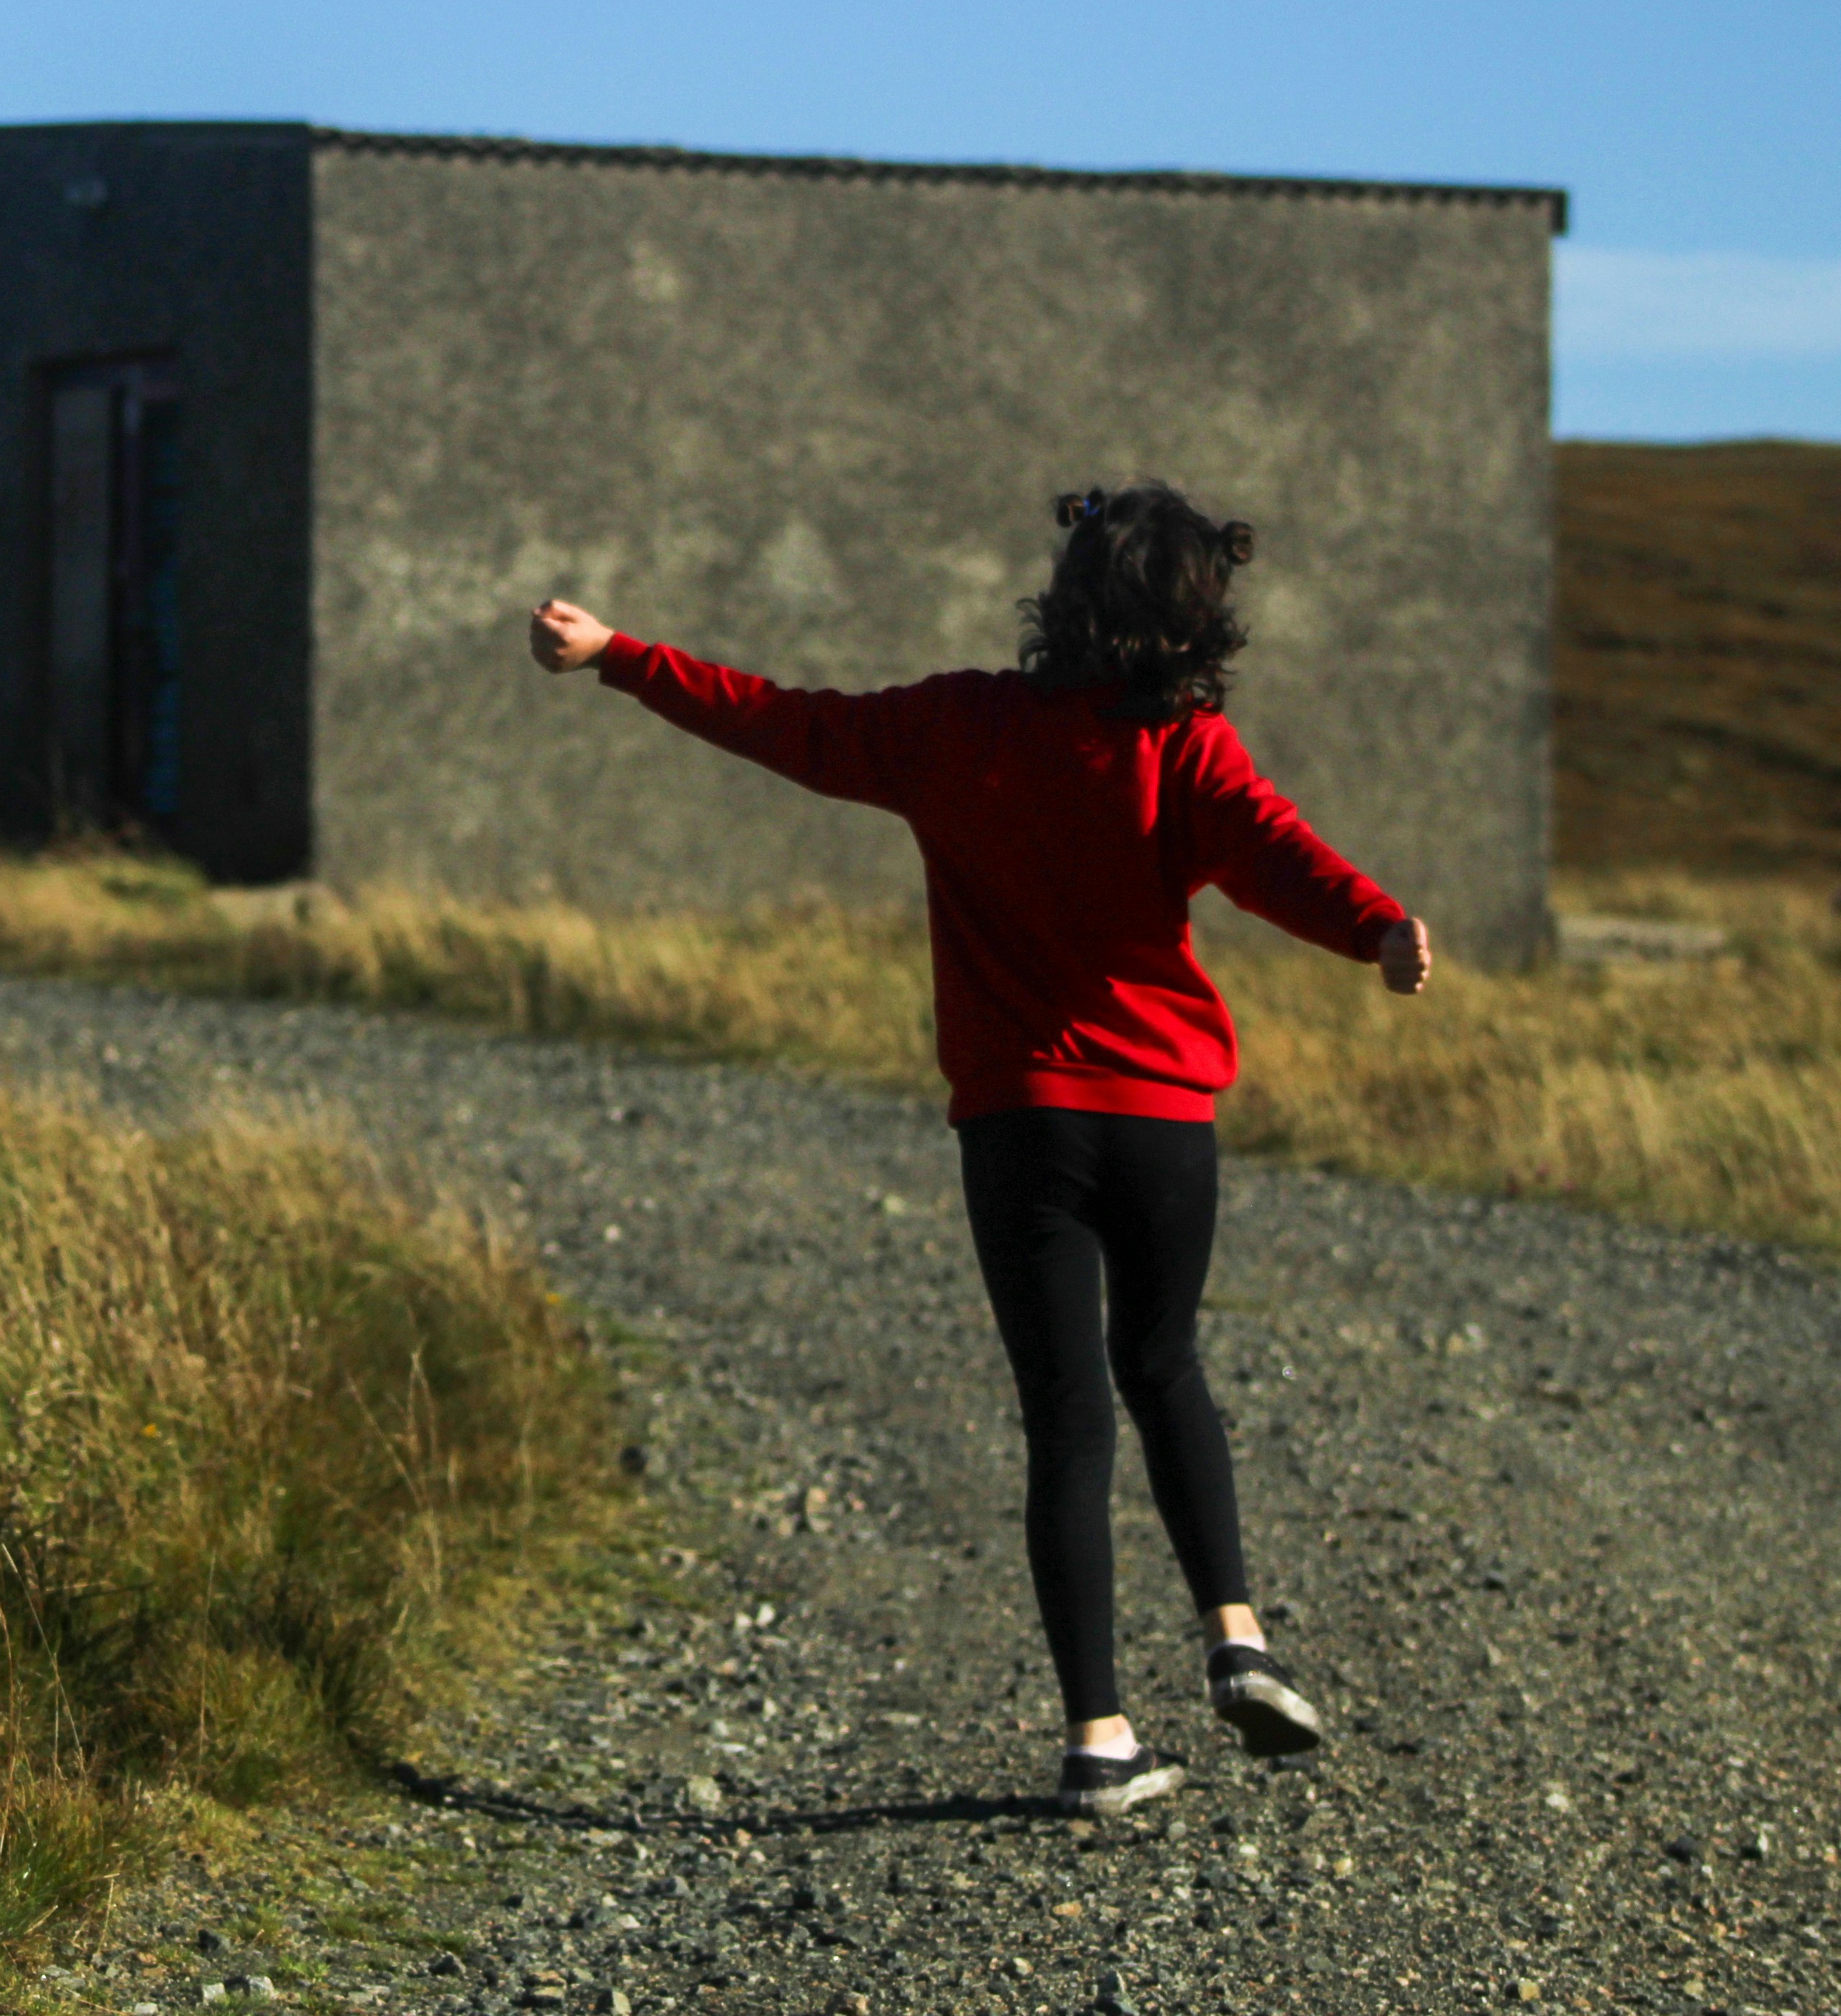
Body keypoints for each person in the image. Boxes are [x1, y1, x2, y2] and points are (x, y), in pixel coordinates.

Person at [528, 483, 1429, 1816]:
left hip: (1020, 1121)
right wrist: (1376, 927)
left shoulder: (955, 726)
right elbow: (1280, 859)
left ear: (1065, 597)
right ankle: (1236, 1636)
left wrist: (618, 656)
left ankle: (1098, 1739)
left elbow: (784, 722)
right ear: (1198, 621)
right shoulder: (1192, 751)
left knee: (1064, 1415)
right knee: (1165, 1361)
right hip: (1163, 1116)